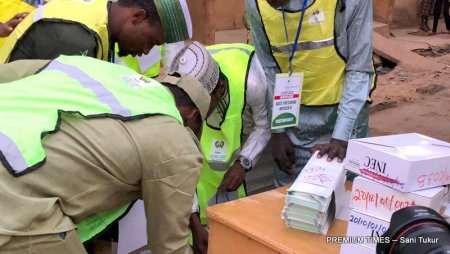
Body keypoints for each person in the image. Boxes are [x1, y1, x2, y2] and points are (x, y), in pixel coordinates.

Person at [0, 55, 210, 254]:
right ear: (191, 116)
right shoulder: (177, 141)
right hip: (16, 202)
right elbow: (170, 247)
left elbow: (8, 73)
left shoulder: (98, 70)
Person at [245, 0, 376, 186]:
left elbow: (359, 69)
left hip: (344, 120)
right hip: (293, 122)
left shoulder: (350, 3)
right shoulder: (255, 4)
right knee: (289, 200)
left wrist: (341, 137)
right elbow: (269, 68)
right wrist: (278, 131)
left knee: (344, 198)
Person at [168, 41, 271, 254]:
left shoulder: (252, 82)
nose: (194, 117)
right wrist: (194, 223)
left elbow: (263, 126)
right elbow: (181, 166)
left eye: (200, 106)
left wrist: (243, 163)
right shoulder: (179, 93)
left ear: (220, 89)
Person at [0, 0, 192, 63]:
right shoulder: (77, 35)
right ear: (138, 17)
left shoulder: (100, 19)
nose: (146, 51)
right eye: (151, 41)